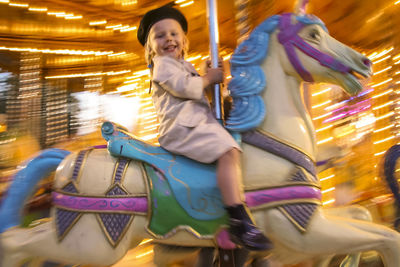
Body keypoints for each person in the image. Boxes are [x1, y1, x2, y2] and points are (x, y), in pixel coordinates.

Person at [137, 4, 272, 251]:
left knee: (238, 146)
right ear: (150, 47)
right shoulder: (162, 65)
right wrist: (208, 78)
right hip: (181, 128)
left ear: (184, 40)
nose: (168, 38)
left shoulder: (184, 66)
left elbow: (200, 94)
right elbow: (186, 88)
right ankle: (238, 219)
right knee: (228, 151)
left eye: (174, 33)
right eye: (159, 35)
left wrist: (211, 78)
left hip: (196, 124)